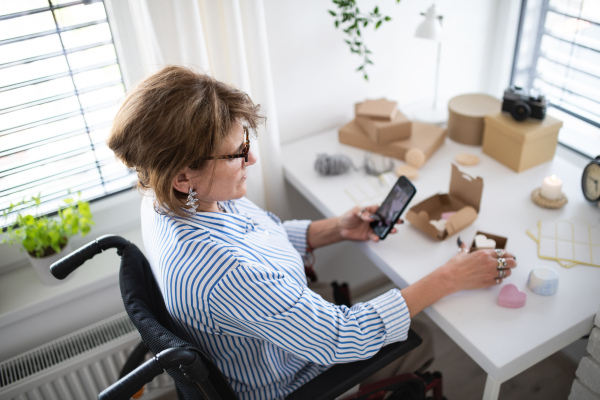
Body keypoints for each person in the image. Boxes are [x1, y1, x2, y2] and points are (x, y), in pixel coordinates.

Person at [107, 66, 517, 400]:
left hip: (275, 337)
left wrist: (336, 228)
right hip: (288, 382)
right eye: (236, 153)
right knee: (422, 336)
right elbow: (342, 336)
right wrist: (451, 277)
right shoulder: (224, 271)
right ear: (183, 175)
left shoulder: (170, 199)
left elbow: (260, 234)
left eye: (245, 140)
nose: (251, 156)